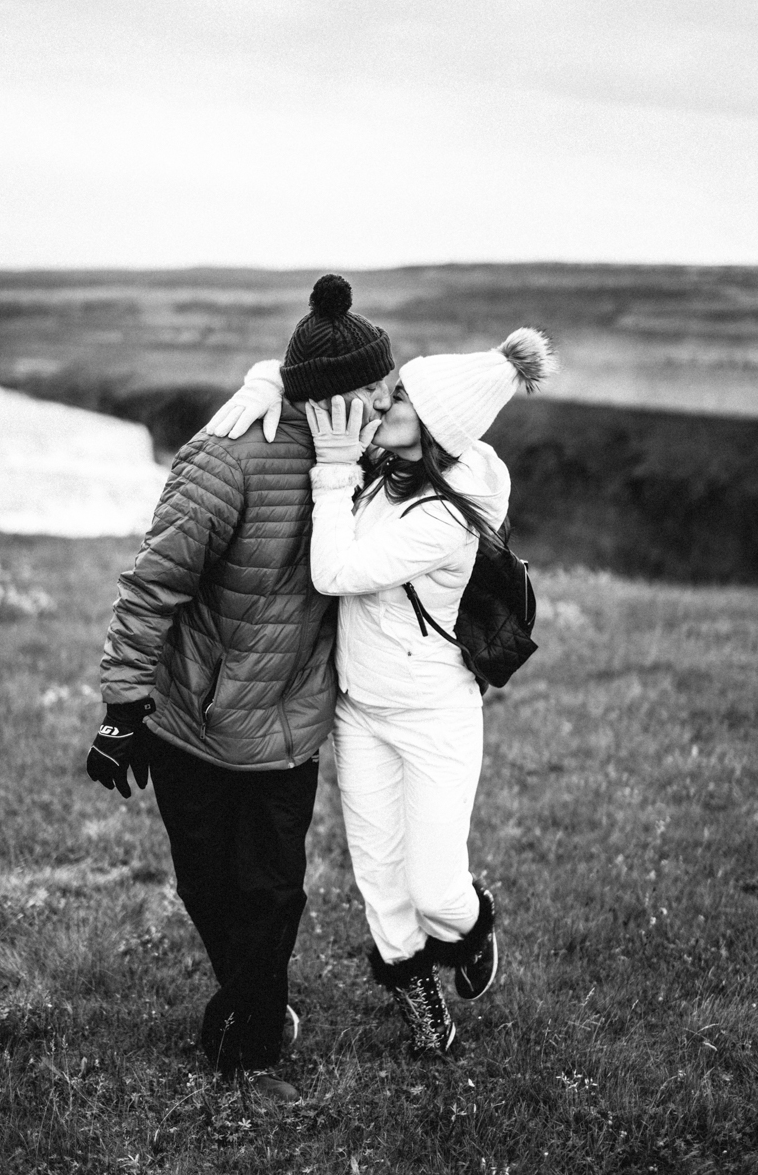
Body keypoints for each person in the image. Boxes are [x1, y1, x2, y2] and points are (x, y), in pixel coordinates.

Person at [85, 274, 393, 1102]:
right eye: (373, 387)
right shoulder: (225, 458)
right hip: (192, 721)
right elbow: (152, 586)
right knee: (207, 884)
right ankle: (257, 1004)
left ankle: (251, 1033)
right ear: (329, 398)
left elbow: (464, 405)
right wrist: (122, 711)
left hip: (290, 724)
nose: (388, 398)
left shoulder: (373, 459)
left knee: (273, 890)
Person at [218, 328, 554, 1057]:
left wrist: (332, 474)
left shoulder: (447, 514)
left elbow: (335, 572)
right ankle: (419, 1002)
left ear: (432, 427)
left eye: (400, 396)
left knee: (436, 889)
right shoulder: (385, 459)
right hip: (358, 712)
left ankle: (470, 929)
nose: (383, 399)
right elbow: (314, 382)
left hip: (435, 714)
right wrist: (263, 383)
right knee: (380, 878)